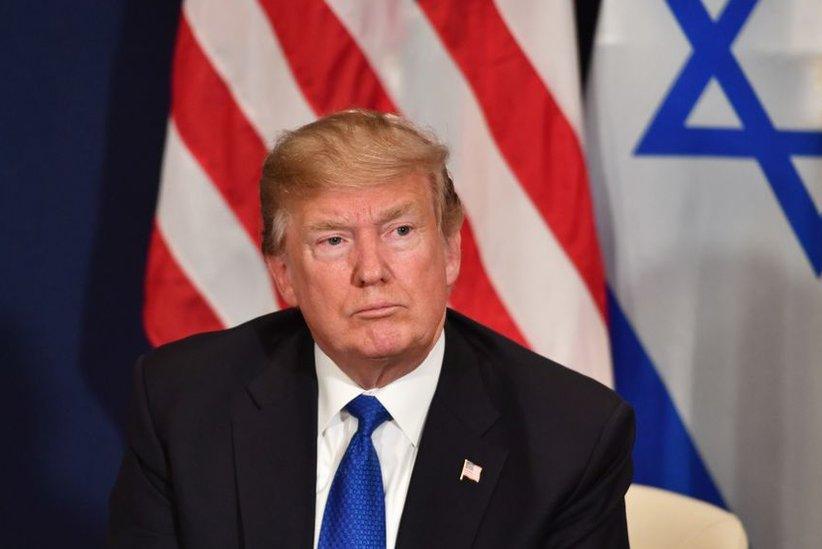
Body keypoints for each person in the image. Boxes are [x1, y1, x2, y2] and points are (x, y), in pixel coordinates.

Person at [109, 109, 634, 548]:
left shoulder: (568, 438)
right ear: (284, 274)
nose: (372, 270)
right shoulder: (184, 402)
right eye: (334, 240)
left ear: (450, 250)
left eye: (400, 231)